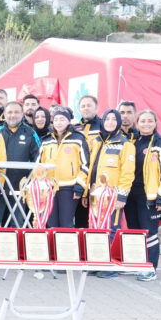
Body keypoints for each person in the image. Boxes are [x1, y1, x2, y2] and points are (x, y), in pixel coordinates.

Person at [86, 109, 136, 278]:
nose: (110, 122)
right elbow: (91, 169)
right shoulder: (97, 142)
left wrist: (122, 196)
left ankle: (111, 264)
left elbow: (128, 173)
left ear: (119, 122)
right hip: (95, 194)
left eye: (114, 119)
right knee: (95, 227)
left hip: (113, 196)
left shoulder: (125, 144)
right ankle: (97, 261)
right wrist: (88, 192)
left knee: (112, 228)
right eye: (107, 119)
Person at [129, 110, 161, 282]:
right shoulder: (133, 141)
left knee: (150, 233)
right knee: (135, 232)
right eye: (142, 121)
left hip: (150, 196)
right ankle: (137, 264)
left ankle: (150, 268)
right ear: (137, 123)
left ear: (155, 123)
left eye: (150, 121)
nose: (146, 124)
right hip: (131, 195)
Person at [37, 107, 90, 229]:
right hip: (49, 188)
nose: (59, 122)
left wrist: (79, 186)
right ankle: (52, 248)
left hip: (69, 188)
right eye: (56, 119)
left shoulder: (78, 139)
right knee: (51, 223)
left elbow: (86, 165)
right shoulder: (46, 141)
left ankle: (66, 248)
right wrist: (39, 185)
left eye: (62, 119)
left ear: (68, 122)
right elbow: (38, 165)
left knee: (66, 223)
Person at [0, 100, 40, 227]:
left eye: (16, 112)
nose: (12, 115)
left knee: (17, 223)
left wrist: (31, 182)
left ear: (22, 114)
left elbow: (38, 158)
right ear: (4, 114)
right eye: (9, 112)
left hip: (20, 187)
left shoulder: (30, 133)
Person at [74, 94, 100, 227]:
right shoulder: (74, 128)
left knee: (97, 221)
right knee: (80, 221)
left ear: (96, 108)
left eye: (89, 105)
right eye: (83, 106)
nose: (85, 108)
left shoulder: (103, 127)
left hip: (97, 180)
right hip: (79, 179)